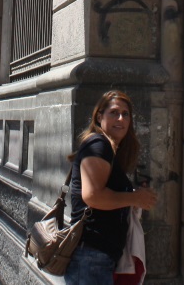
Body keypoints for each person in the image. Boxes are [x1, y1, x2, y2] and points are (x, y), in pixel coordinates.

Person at [64, 90, 158, 284]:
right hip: (91, 256)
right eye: (114, 112)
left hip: (99, 257)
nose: (121, 118)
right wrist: (135, 198)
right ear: (99, 117)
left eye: (126, 114)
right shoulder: (98, 144)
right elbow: (93, 196)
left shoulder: (108, 149)